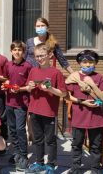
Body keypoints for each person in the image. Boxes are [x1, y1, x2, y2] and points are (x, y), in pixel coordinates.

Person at [24, 43, 67, 174]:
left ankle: (51, 165)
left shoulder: (56, 72)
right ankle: (39, 162)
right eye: (36, 56)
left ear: (49, 55)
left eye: (42, 55)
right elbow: (27, 88)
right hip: (34, 110)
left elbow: (63, 93)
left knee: (50, 140)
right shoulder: (33, 70)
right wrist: (29, 86)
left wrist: (50, 89)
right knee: (37, 139)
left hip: (49, 112)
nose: (39, 58)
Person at [66, 50, 103, 174]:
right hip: (79, 117)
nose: (88, 64)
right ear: (79, 63)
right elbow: (67, 96)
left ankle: (95, 169)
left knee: (95, 146)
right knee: (76, 145)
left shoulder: (99, 77)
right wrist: (81, 102)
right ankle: (75, 168)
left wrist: (92, 85)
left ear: (95, 63)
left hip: (96, 118)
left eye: (91, 62)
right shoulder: (74, 77)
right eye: (85, 62)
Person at [2, 41, 32, 171]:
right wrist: (5, 85)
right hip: (9, 102)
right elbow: (6, 79)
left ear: (23, 51)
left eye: (19, 50)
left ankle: (24, 156)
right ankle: (16, 153)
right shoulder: (8, 65)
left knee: (20, 129)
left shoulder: (28, 66)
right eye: (14, 50)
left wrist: (20, 89)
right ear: (11, 51)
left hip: (21, 104)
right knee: (12, 130)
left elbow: (30, 87)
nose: (17, 52)